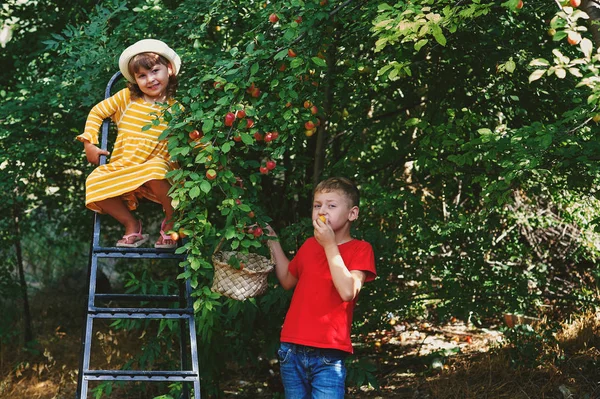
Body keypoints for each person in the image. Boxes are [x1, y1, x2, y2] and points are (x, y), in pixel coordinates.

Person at [266, 177, 377, 399]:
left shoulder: (361, 249)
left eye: (331, 205)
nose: (321, 210)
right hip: (292, 348)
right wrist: (271, 239)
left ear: (352, 214)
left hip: (329, 354)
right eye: (317, 205)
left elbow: (348, 291)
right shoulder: (309, 245)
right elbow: (288, 280)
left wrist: (329, 244)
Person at [76, 39, 182, 248]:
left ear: (169, 70)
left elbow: (193, 142)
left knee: (156, 168)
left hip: (157, 170)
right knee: (95, 181)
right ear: (135, 80)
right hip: (125, 166)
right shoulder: (127, 98)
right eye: (142, 75)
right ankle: (131, 225)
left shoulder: (177, 110)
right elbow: (97, 112)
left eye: (154, 71)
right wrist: (89, 142)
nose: (150, 79)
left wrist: (215, 163)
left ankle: (171, 222)